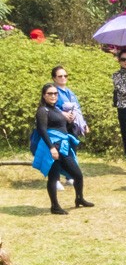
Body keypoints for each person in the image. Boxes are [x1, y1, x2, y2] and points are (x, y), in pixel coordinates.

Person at [30, 82, 89, 214]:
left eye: (55, 93)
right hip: (53, 146)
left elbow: (62, 128)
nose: (53, 96)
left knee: (77, 174)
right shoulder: (42, 110)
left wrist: (70, 122)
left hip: (63, 146)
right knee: (53, 176)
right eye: (50, 94)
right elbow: (42, 130)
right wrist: (51, 148)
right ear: (44, 95)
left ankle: (79, 198)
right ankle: (55, 206)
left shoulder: (56, 109)